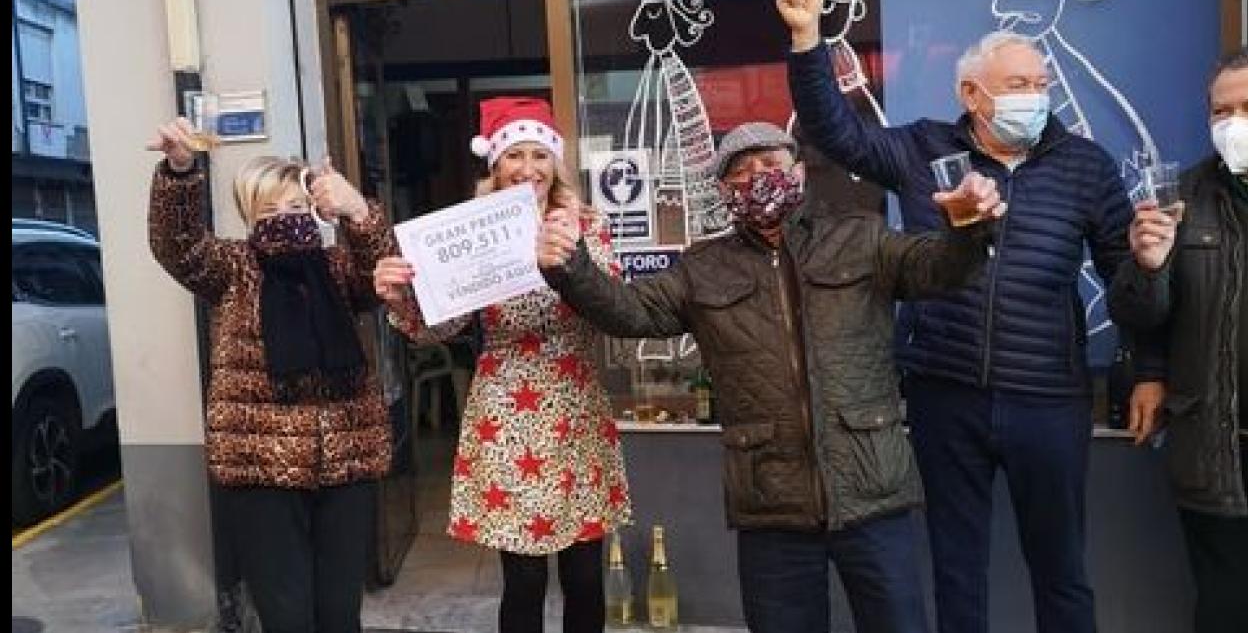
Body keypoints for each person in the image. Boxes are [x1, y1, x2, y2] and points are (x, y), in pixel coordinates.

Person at [777, 0, 1164, 633]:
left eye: (1041, 83)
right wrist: (807, 38)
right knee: (956, 568)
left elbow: (1124, 287)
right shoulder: (923, 149)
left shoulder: (1085, 166)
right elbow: (836, 132)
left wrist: (1151, 354)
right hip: (944, 393)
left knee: (1062, 568)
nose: (1035, 96)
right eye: (1018, 84)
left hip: (1048, 398)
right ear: (972, 94)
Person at [538, 121, 1006, 633]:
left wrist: (968, 227)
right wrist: (571, 268)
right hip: (771, 499)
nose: (758, 176)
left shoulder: (861, 236)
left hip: (871, 486)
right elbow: (629, 313)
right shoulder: (703, 267)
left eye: (772, 165)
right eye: (741, 170)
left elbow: (939, 268)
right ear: (723, 192)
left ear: (799, 174)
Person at [373, 97, 632, 633]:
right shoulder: (471, 231)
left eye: (540, 155)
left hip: (575, 410)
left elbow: (617, 308)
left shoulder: (587, 223)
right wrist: (402, 300)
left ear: (556, 163)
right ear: (495, 165)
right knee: (524, 580)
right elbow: (443, 326)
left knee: (585, 574)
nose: (529, 168)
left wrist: (572, 259)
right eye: (515, 155)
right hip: (507, 416)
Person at [146, 118, 395, 633]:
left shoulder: (336, 267)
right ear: (249, 215)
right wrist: (179, 170)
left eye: (297, 208)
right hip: (261, 468)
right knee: (286, 616)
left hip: (346, 462)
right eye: (271, 210)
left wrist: (356, 209)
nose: (287, 219)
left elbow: (382, 270)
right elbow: (180, 247)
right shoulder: (233, 267)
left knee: (339, 613)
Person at [1108, 46, 1248, 633]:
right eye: (1222, 111)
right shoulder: (1182, 197)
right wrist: (1148, 266)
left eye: (1246, 106)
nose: (1234, 122)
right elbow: (1139, 315)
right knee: (1223, 605)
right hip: (1215, 446)